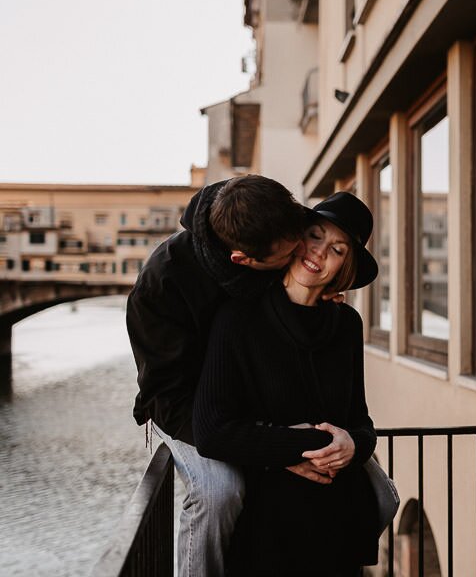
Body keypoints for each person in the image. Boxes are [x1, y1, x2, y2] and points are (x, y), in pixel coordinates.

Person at [127, 175, 322, 577]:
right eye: (286, 258)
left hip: (261, 397)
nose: (299, 258)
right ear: (242, 260)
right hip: (188, 409)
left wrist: (332, 286)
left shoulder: (276, 217)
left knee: (379, 493)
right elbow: (168, 392)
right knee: (219, 493)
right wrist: (267, 446)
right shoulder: (162, 285)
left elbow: (332, 243)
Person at [193, 191, 380, 576]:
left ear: (345, 266)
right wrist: (303, 448)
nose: (320, 252)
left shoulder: (347, 325)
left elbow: (360, 421)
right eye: (315, 235)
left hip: (337, 521)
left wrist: (354, 444)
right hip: (268, 523)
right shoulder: (238, 317)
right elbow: (213, 432)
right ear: (297, 238)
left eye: (338, 249)